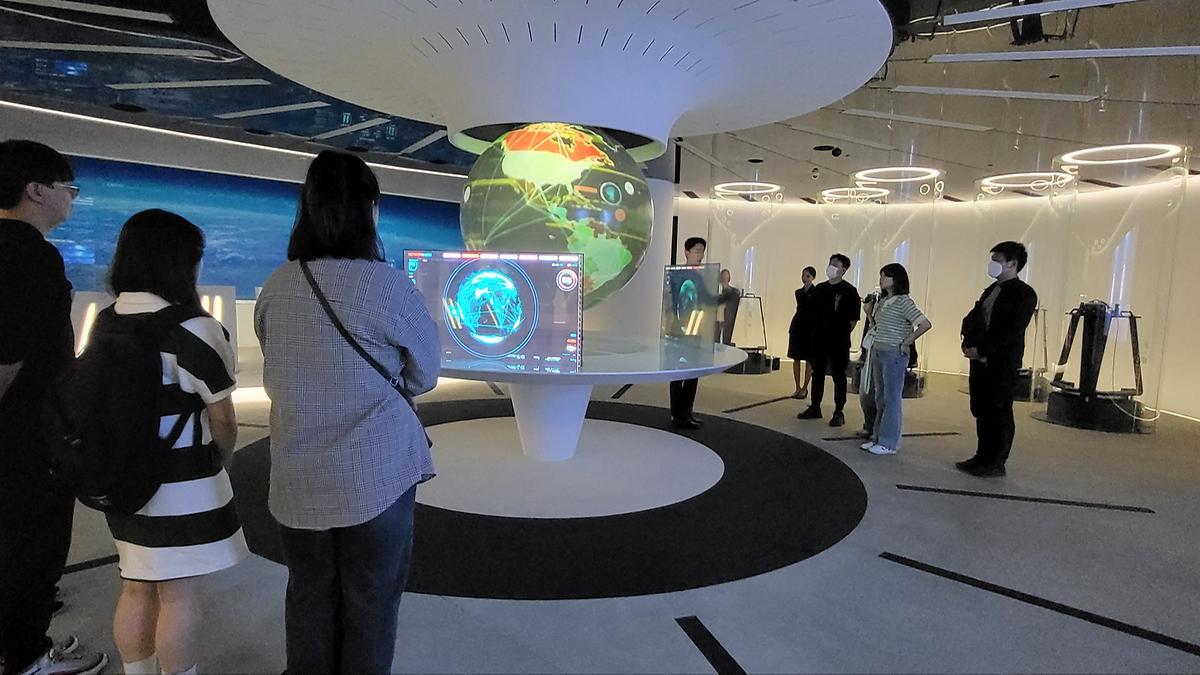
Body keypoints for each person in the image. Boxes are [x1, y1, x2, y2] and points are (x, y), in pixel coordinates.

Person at [255, 150, 440, 674]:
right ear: (368, 209)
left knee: (309, 592)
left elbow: (276, 361)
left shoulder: (278, 285)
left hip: (297, 477)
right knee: (372, 600)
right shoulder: (388, 286)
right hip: (376, 477)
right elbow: (425, 375)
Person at [105, 210, 247, 675]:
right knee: (179, 594)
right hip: (182, 485)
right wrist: (221, 460)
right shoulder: (195, 329)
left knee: (135, 585)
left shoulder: (107, 321)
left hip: (122, 480)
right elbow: (223, 418)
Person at [0, 139, 109, 675]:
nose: (72, 197)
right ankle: (26, 656)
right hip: (24, 437)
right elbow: (9, 353)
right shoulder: (28, 255)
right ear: (36, 190)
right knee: (32, 545)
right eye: (69, 187)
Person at [957, 242, 1038, 476]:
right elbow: (975, 317)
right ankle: (982, 455)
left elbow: (1010, 331)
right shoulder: (992, 290)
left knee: (999, 410)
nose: (992, 264)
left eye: (997, 259)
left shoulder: (1024, 294)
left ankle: (996, 460)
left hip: (1001, 362)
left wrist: (983, 350)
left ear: (1012, 263)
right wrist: (968, 343)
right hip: (979, 361)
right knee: (981, 408)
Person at [860, 264, 932, 456]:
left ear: (896, 280)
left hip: (893, 354)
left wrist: (906, 342)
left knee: (891, 398)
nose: (881, 279)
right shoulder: (884, 301)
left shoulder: (903, 301)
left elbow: (924, 324)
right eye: (881, 275)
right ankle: (877, 436)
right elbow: (877, 326)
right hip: (878, 350)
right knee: (880, 397)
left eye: (886, 276)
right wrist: (868, 313)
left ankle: (889, 442)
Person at [798, 254, 861, 427]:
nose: (831, 266)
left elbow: (853, 320)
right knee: (817, 373)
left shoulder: (850, 291)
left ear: (843, 270)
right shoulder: (820, 289)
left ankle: (839, 411)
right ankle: (815, 407)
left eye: (836, 264)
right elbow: (812, 313)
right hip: (819, 340)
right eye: (830, 263)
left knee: (839, 376)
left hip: (839, 341)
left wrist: (841, 334)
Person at [669, 237, 708, 430]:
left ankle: (687, 411)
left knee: (693, 372)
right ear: (686, 252)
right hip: (679, 329)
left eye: (702, 251)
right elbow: (673, 301)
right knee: (678, 371)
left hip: (696, 327)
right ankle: (677, 413)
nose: (700, 255)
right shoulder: (677, 274)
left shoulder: (702, 276)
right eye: (697, 250)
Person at [787, 266, 818, 399]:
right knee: (796, 357)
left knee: (809, 359)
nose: (804, 278)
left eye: (807, 276)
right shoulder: (798, 292)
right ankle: (797, 387)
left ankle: (805, 387)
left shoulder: (817, 292)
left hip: (810, 328)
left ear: (813, 277)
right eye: (803, 275)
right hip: (798, 325)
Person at [716, 268, 741, 346]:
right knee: (716, 340)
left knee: (726, 339)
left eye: (726, 276)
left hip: (727, 318)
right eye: (723, 276)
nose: (725, 278)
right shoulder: (717, 291)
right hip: (717, 318)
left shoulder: (733, 292)